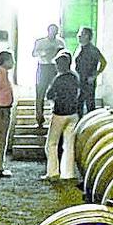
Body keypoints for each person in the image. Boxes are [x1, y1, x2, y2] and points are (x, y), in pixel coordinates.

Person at [42, 51, 80, 181]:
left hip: (60, 113)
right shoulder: (75, 77)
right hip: (73, 113)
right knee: (69, 145)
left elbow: (49, 94)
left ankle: (52, 172)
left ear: (61, 65)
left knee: (51, 144)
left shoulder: (59, 78)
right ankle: (68, 173)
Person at [31, 23, 65, 127]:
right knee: (40, 93)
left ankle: (57, 117)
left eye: (55, 31)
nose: (53, 33)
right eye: (52, 31)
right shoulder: (40, 42)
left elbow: (64, 55)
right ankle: (39, 119)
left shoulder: (60, 42)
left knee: (57, 93)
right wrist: (44, 52)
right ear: (48, 31)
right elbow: (33, 54)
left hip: (55, 68)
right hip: (43, 67)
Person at [73, 26, 107, 116]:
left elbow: (103, 62)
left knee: (89, 104)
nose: (79, 36)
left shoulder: (93, 50)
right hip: (79, 79)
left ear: (88, 36)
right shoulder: (79, 48)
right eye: (79, 34)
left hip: (88, 80)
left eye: (82, 34)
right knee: (78, 103)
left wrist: (95, 75)